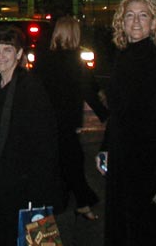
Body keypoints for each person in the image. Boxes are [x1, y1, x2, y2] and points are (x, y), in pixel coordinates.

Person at [95, 0, 156, 246]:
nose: (135, 21)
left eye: (143, 15)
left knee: (146, 234)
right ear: (121, 21)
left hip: (149, 164)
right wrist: (106, 148)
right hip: (122, 161)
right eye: (129, 15)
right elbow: (119, 113)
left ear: (154, 22)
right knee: (122, 231)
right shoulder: (122, 59)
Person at [0, 24, 63, 246]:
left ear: (19, 54)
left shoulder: (30, 87)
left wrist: (39, 190)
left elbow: (46, 140)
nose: (1, 56)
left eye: (7, 50)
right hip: (4, 181)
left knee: (28, 239)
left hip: (27, 183)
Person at [37, 14, 108, 222]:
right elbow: (88, 88)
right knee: (73, 162)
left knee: (64, 162)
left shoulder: (45, 57)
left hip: (49, 118)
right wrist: (106, 116)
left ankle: (68, 201)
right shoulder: (75, 59)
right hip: (67, 119)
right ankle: (82, 202)